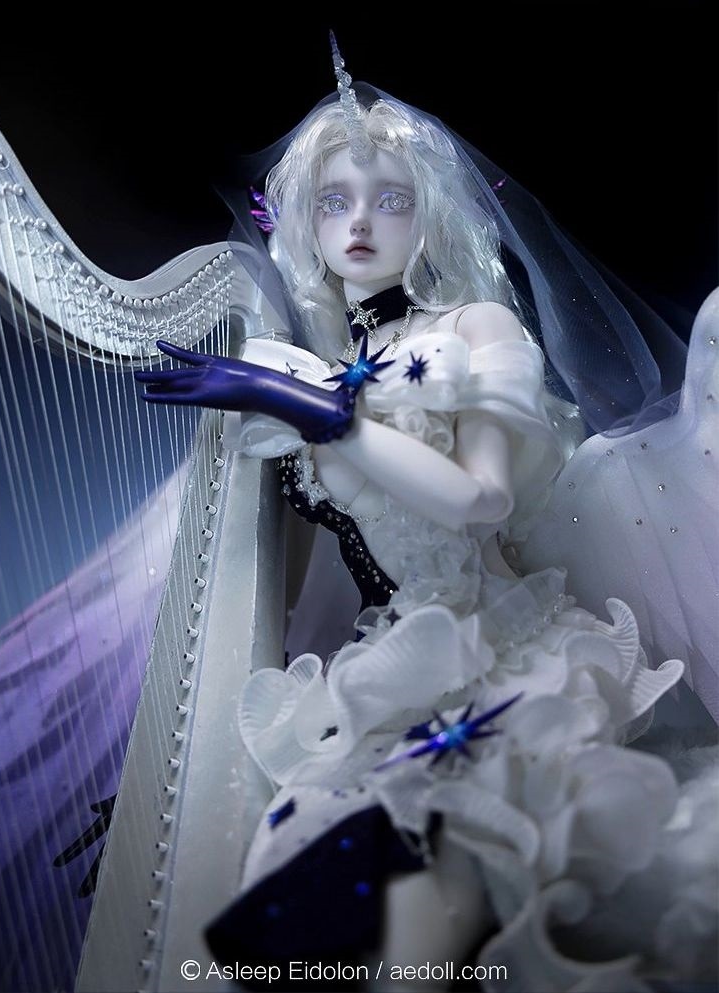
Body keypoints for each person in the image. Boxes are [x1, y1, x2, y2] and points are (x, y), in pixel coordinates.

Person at [134, 52, 717, 993]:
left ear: (428, 212)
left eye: (390, 199)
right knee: (286, 903)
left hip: (507, 649)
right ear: (303, 219)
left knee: (438, 889)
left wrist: (325, 416)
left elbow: (482, 499)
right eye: (335, 201)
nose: (361, 222)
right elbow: (292, 590)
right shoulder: (309, 368)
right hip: (389, 669)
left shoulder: (474, 329)